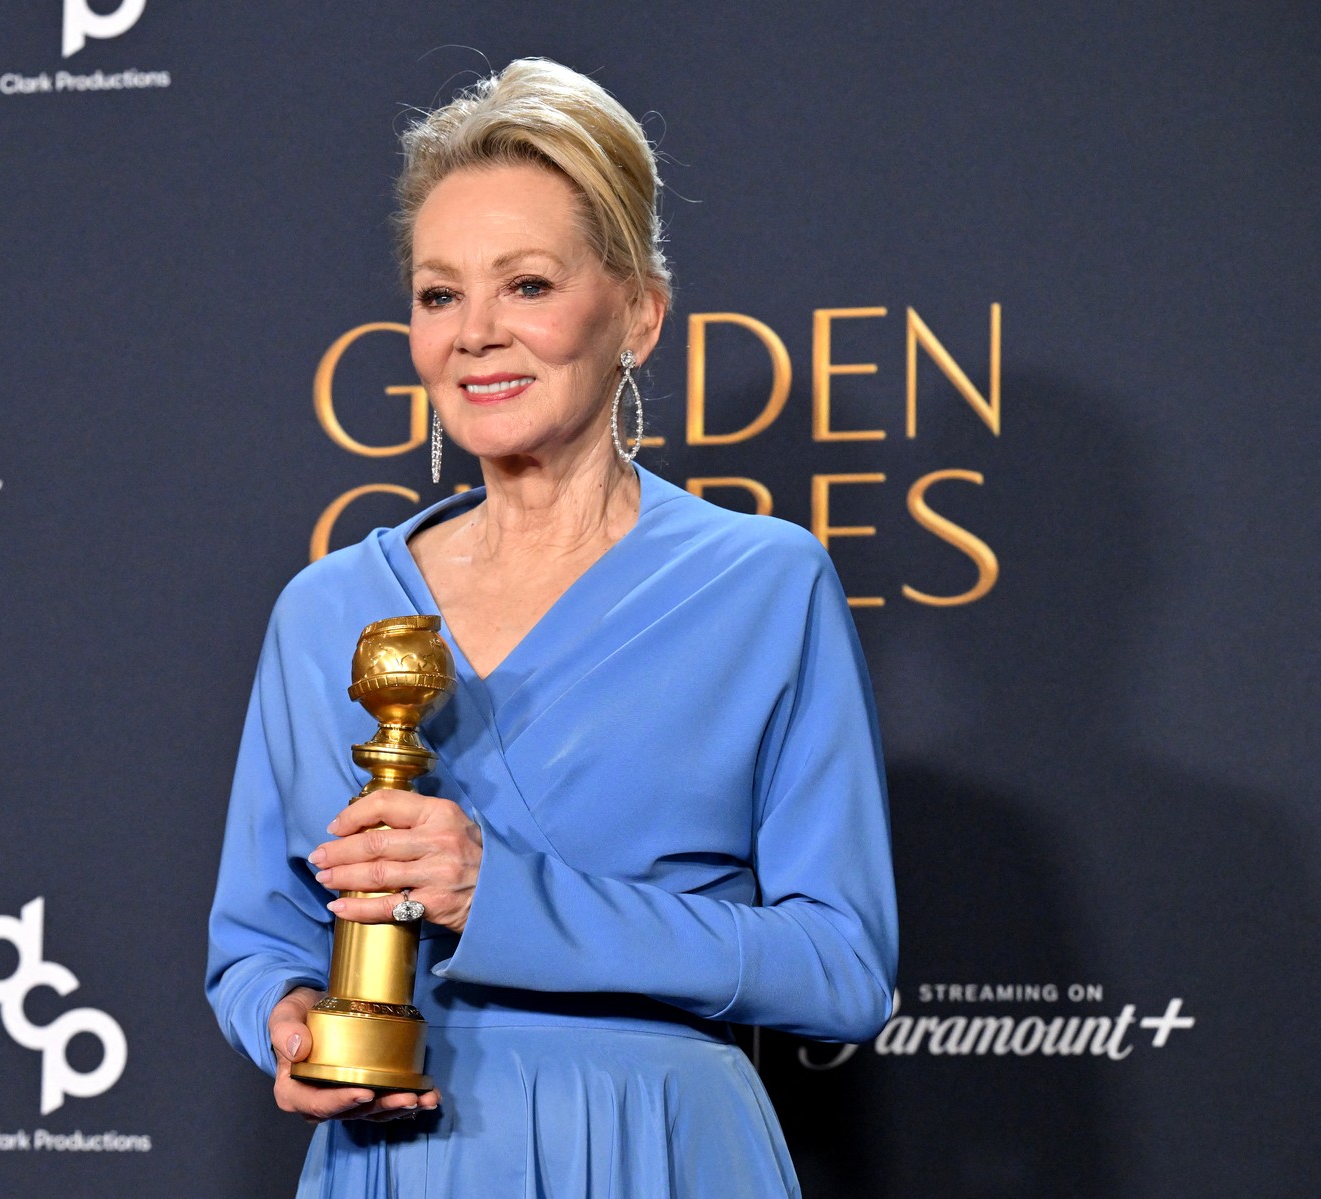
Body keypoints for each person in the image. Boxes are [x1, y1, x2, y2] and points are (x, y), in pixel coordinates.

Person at [207, 58, 897, 1198]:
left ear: (637, 312)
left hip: (660, 1150)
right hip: (402, 1155)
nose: (475, 332)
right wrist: (286, 1022)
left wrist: (505, 895)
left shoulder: (766, 586)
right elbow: (260, 933)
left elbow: (841, 966)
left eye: (526, 283)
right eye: (439, 294)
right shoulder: (329, 609)